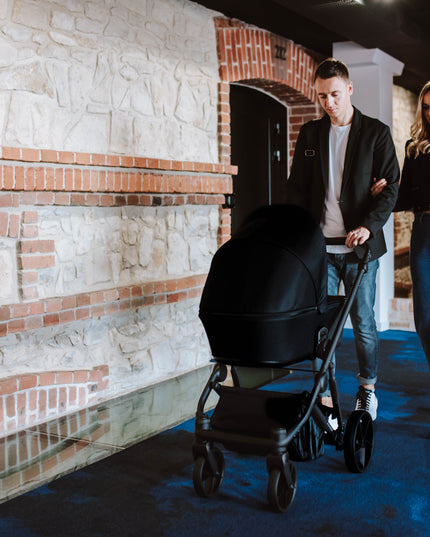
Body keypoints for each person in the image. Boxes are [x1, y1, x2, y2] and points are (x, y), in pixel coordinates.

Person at [286, 58, 400, 420]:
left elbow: (390, 187)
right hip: (321, 249)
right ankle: (327, 395)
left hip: (359, 250)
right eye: (321, 96)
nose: (328, 103)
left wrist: (369, 225)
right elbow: (297, 189)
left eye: (334, 94)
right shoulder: (310, 135)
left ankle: (367, 389)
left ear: (349, 89)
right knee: (323, 327)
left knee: (363, 322)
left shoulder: (376, 133)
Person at [393, 80, 430, 369]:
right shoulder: (414, 148)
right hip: (423, 230)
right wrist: (383, 192)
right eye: (426, 108)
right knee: (425, 315)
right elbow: (404, 197)